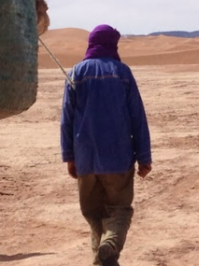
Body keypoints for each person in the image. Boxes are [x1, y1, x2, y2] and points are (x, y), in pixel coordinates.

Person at [61, 24, 152, 266]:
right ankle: (110, 244)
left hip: (86, 159)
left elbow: (66, 119)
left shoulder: (76, 73)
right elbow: (137, 117)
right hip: (118, 157)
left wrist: (69, 156)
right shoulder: (122, 73)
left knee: (95, 215)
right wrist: (144, 157)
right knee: (119, 211)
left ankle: (102, 259)